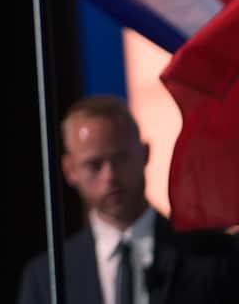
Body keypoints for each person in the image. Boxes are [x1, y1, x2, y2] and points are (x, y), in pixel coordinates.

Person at [17, 94, 238, 304]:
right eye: (94, 165)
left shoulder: (212, 255)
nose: (110, 175)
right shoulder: (47, 277)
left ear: (145, 154)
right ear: (70, 170)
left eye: (121, 158)